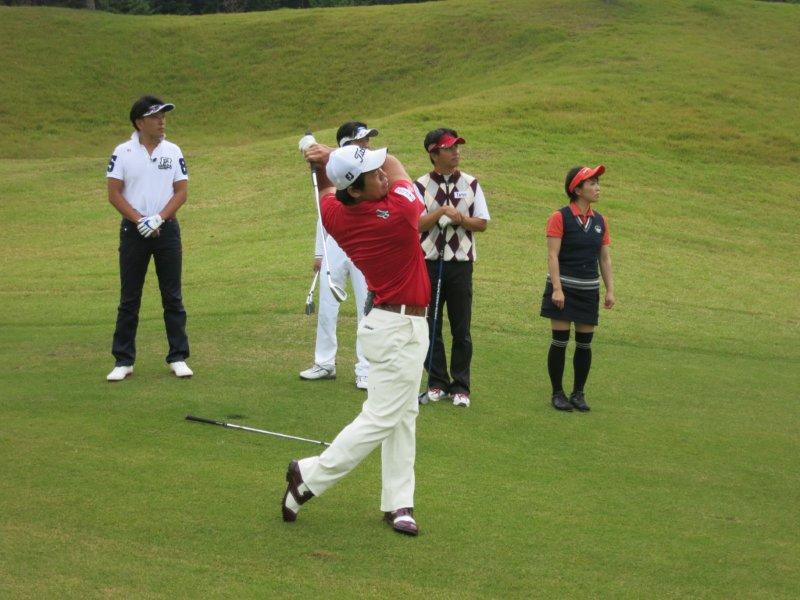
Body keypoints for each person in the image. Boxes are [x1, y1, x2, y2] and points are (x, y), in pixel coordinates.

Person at [282, 142, 430, 537]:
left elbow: (326, 189)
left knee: (403, 416)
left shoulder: (336, 214)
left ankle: (398, 502)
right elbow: (395, 163)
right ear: (356, 190)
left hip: (390, 325)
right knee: (381, 418)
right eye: (372, 176)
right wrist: (331, 153)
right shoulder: (399, 212)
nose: (382, 176)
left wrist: (325, 163)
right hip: (398, 329)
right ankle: (308, 476)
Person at [105, 95, 193, 382]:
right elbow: (114, 193)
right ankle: (123, 360)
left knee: (172, 296)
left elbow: (181, 191)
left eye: (163, 116)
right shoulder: (123, 152)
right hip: (133, 232)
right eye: (155, 117)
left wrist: (159, 218)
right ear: (139, 122)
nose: (162, 121)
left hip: (167, 230)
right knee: (129, 298)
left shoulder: (173, 150)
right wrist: (140, 220)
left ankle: (178, 357)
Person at [299, 122, 378, 389]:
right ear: (345, 145)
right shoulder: (334, 171)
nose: (367, 145)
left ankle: (365, 368)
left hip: (364, 242)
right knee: (327, 305)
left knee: (366, 307)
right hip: (334, 242)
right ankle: (324, 363)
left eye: (367, 140)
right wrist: (319, 251)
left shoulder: (373, 169)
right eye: (361, 140)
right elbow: (324, 208)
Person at [415, 128, 490, 408]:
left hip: (460, 264)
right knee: (430, 325)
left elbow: (481, 223)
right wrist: (441, 212)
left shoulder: (470, 183)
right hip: (429, 263)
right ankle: (437, 383)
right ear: (434, 154)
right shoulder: (419, 185)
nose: (456, 152)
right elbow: (417, 224)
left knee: (461, 327)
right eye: (449, 148)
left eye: (456, 147)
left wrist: (459, 219)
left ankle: (460, 386)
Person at [540, 165, 615, 412]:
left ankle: (578, 393)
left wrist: (610, 290)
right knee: (560, 342)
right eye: (592, 183)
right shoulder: (559, 217)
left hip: (588, 290)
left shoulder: (600, 221)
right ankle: (557, 393)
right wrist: (557, 288)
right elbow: (553, 255)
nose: (597, 188)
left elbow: (604, 258)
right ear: (577, 190)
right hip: (563, 289)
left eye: (597, 183)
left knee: (584, 343)